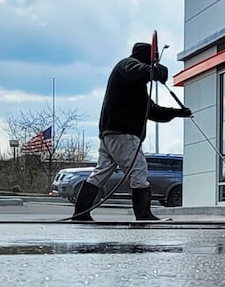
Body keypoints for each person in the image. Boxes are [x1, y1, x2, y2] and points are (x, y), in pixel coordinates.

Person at [70, 42, 191, 222]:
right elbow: (139, 71)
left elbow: (151, 110)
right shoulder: (126, 65)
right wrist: (156, 70)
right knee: (139, 169)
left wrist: (177, 112)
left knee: (101, 172)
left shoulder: (133, 86)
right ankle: (143, 214)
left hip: (111, 133)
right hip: (123, 133)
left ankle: (80, 214)